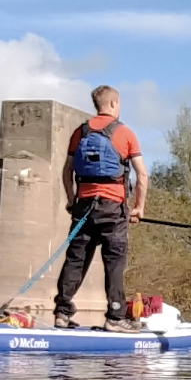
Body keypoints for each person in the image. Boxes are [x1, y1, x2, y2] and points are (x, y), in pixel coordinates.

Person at [53, 85, 148, 329]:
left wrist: (71, 200)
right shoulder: (125, 133)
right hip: (113, 209)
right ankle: (115, 317)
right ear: (113, 104)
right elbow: (142, 175)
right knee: (114, 262)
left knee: (76, 258)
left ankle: (62, 313)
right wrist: (138, 208)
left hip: (84, 208)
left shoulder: (80, 132)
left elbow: (67, 170)